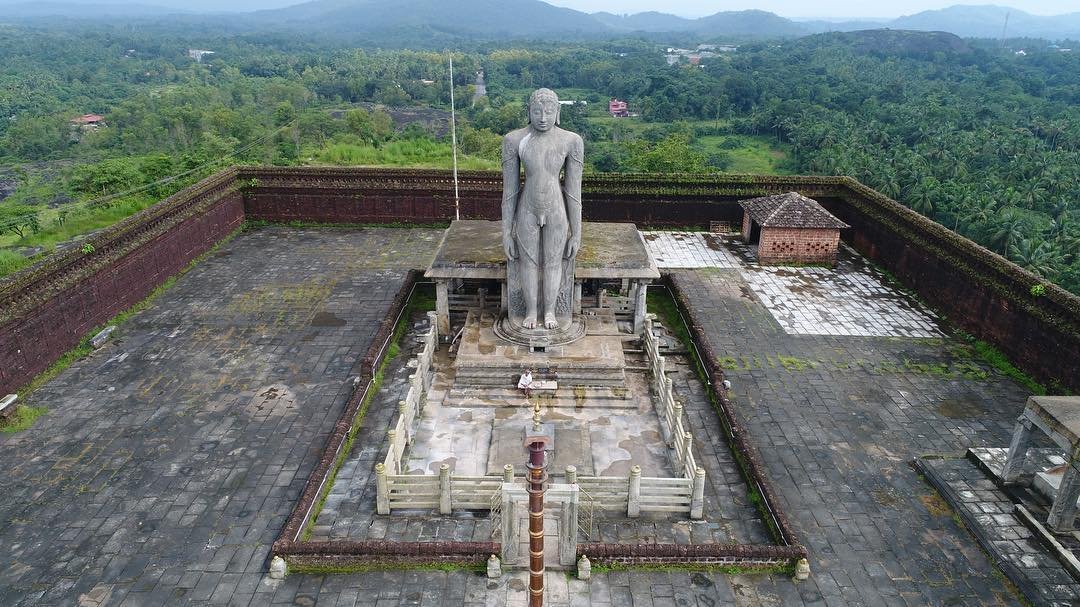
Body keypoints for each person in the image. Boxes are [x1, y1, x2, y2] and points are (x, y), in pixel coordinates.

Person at [501, 88, 584, 331]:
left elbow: (573, 192)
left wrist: (576, 233)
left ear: (557, 112)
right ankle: (530, 311)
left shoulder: (571, 141)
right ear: (529, 112)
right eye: (537, 111)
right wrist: (506, 232)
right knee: (526, 262)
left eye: (549, 112)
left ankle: (549, 311)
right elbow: (510, 192)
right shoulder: (514, 140)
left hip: (556, 209)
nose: (543, 117)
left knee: (553, 262)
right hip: (527, 208)